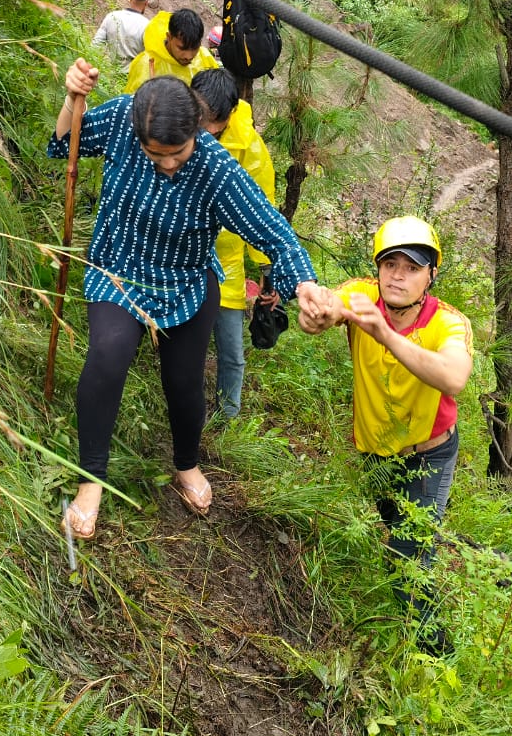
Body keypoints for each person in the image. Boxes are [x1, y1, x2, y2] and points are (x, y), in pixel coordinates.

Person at [49, 59, 321, 539]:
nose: (169, 164)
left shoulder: (216, 169)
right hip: (118, 270)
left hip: (185, 283)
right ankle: (91, 479)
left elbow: (275, 234)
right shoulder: (122, 119)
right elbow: (63, 143)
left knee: (185, 383)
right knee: (106, 358)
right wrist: (73, 99)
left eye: (178, 152)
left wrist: (306, 287)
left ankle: (186, 464)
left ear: (197, 128)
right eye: (157, 155)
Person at [299, 216, 473, 642]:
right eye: (390, 264)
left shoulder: (448, 322)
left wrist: (383, 333)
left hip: (428, 454)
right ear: (377, 268)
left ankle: (432, 653)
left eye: (412, 267)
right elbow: (333, 305)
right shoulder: (362, 295)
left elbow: (454, 377)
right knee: (398, 528)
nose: (398, 275)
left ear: (431, 275)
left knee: (408, 559)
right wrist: (317, 314)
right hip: (375, 450)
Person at [191, 67, 276, 418]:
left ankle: (228, 418)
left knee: (231, 353)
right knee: (186, 350)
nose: (207, 129)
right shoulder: (178, 127)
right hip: (183, 259)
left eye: (214, 121)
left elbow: (261, 212)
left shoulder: (249, 148)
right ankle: (187, 412)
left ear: (229, 114)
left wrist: (268, 272)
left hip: (226, 265)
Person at [125, 8, 218, 93]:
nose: (188, 56)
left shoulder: (205, 59)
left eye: (195, 48)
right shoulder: (147, 64)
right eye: (181, 48)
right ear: (169, 37)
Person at [92, 0, 152, 71]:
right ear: (146, 2)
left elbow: (96, 44)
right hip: (134, 76)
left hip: (111, 74)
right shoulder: (147, 25)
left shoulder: (112, 16)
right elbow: (151, 57)